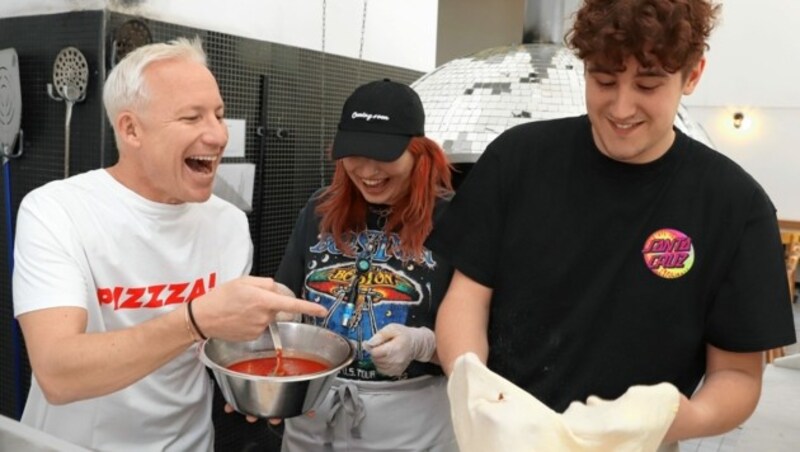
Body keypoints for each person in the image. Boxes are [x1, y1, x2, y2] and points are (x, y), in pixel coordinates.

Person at [429, 0, 797, 447]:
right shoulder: (518, 160)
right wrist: (476, 386)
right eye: (604, 79)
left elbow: (737, 374)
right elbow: (467, 298)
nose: (621, 108)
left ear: (693, 75)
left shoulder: (735, 207)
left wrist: (681, 418)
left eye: (648, 84)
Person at [12, 37, 326, 452]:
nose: (217, 135)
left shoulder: (228, 224)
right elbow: (58, 374)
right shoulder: (56, 211)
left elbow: (217, 349)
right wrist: (194, 319)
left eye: (219, 114)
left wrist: (257, 378)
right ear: (130, 129)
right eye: (192, 118)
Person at [274, 79, 458, 451]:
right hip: (314, 413)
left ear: (420, 153)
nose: (367, 170)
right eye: (354, 153)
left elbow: (481, 343)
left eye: (384, 154)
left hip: (414, 428)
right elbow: (288, 299)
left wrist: (423, 346)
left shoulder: (457, 219)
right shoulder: (319, 209)